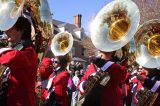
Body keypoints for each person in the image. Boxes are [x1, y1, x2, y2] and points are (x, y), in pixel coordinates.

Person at [0, 16, 38, 106]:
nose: (6, 31)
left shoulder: (29, 51)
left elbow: (11, 58)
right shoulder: (18, 49)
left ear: (21, 30)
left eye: (10, 28)